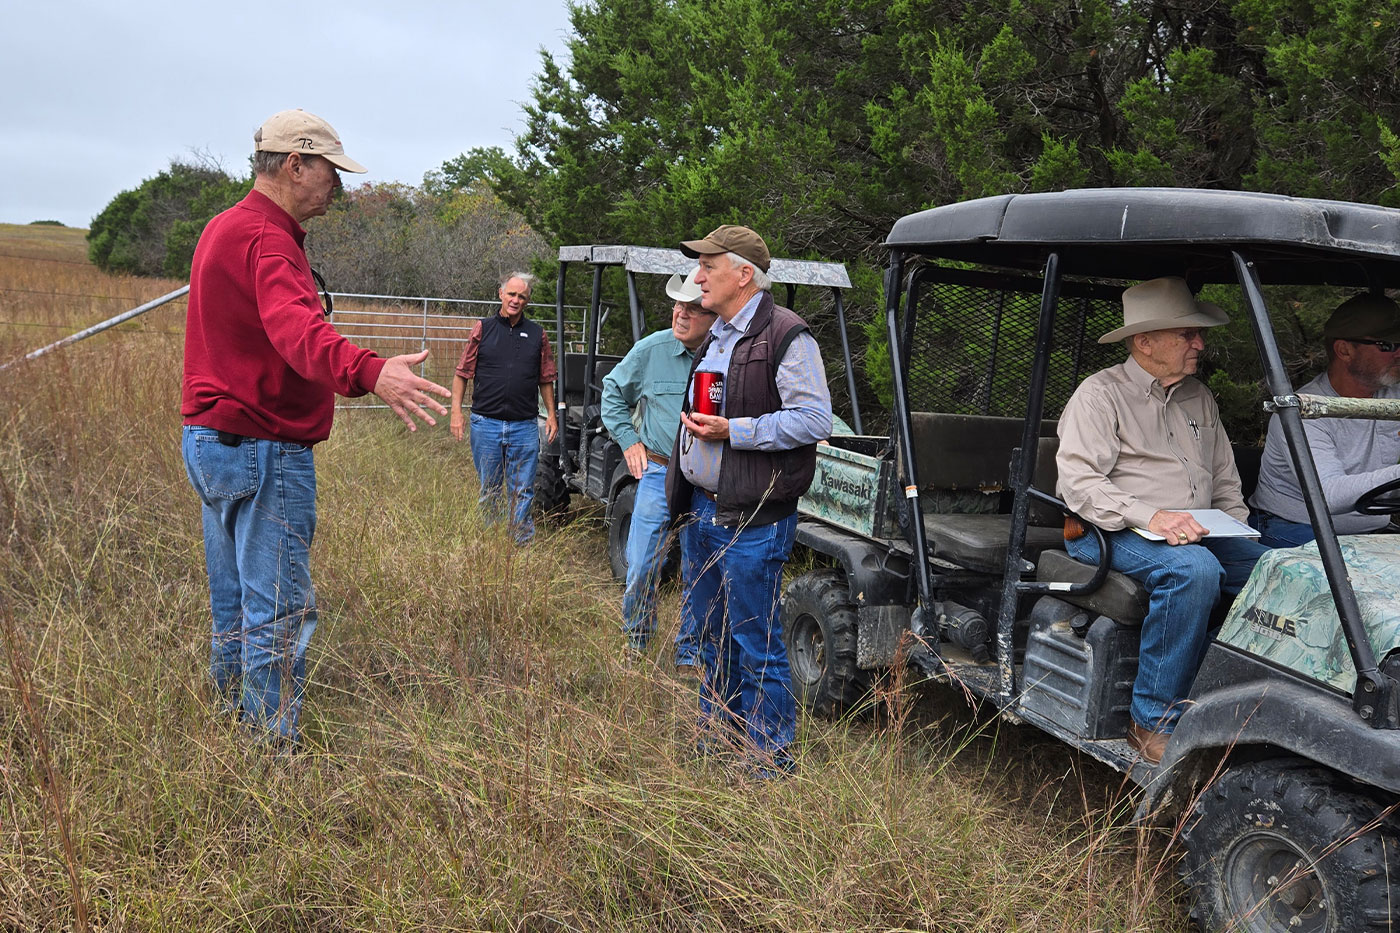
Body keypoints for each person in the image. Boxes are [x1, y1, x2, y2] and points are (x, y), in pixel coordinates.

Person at [181, 109, 450, 746]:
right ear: (295, 164)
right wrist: (370, 371)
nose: (339, 186)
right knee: (275, 610)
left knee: (235, 604)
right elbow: (295, 329)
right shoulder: (269, 240)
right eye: (331, 170)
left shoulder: (225, 227)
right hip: (261, 446)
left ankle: (230, 730)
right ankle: (270, 752)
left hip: (212, 440)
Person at [1056, 276, 1270, 766]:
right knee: (1193, 570)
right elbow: (1080, 486)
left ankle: (1233, 705)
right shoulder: (1100, 395)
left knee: (1279, 572)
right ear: (1144, 341)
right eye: (1187, 334)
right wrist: (1152, 515)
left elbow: (1223, 478)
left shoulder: (1199, 396)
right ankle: (1152, 720)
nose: (1199, 343)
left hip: (1195, 529)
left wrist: (1237, 530)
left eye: (1198, 334)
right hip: (1106, 532)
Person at [665, 225, 833, 775]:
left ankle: (769, 759)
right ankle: (717, 741)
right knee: (710, 633)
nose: (697, 276)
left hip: (754, 517)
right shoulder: (716, 335)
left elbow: (813, 419)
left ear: (743, 274)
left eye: (707, 266)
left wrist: (733, 431)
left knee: (753, 638)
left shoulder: (787, 335)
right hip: (704, 510)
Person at [601, 269, 716, 669]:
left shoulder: (727, 355)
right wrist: (629, 440)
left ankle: (690, 653)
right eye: (676, 306)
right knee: (642, 565)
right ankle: (636, 644)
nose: (680, 315)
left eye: (692, 309)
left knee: (699, 572)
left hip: (709, 482)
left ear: (714, 315)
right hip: (657, 473)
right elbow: (612, 390)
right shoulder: (652, 350)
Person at [1250, 293, 1400, 547]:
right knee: (1354, 579)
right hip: (1295, 528)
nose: (1399, 353)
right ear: (1344, 350)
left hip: (1373, 531)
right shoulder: (1304, 411)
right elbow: (1328, 495)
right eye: (1388, 345)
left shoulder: (1393, 393)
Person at [449, 272, 559, 545]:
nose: (516, 300)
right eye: (511, 294)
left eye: (522, 296)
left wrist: (552, 415)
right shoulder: (483, 329)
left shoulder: (537, 334)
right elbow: (462, 373)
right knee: (490, 489)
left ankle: (520, 541)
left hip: (524, 425)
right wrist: (456, 413)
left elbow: (545, 378)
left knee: (523, 489)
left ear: (527, 300)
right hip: (486, 423)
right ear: (501, 294)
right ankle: (491, 541)